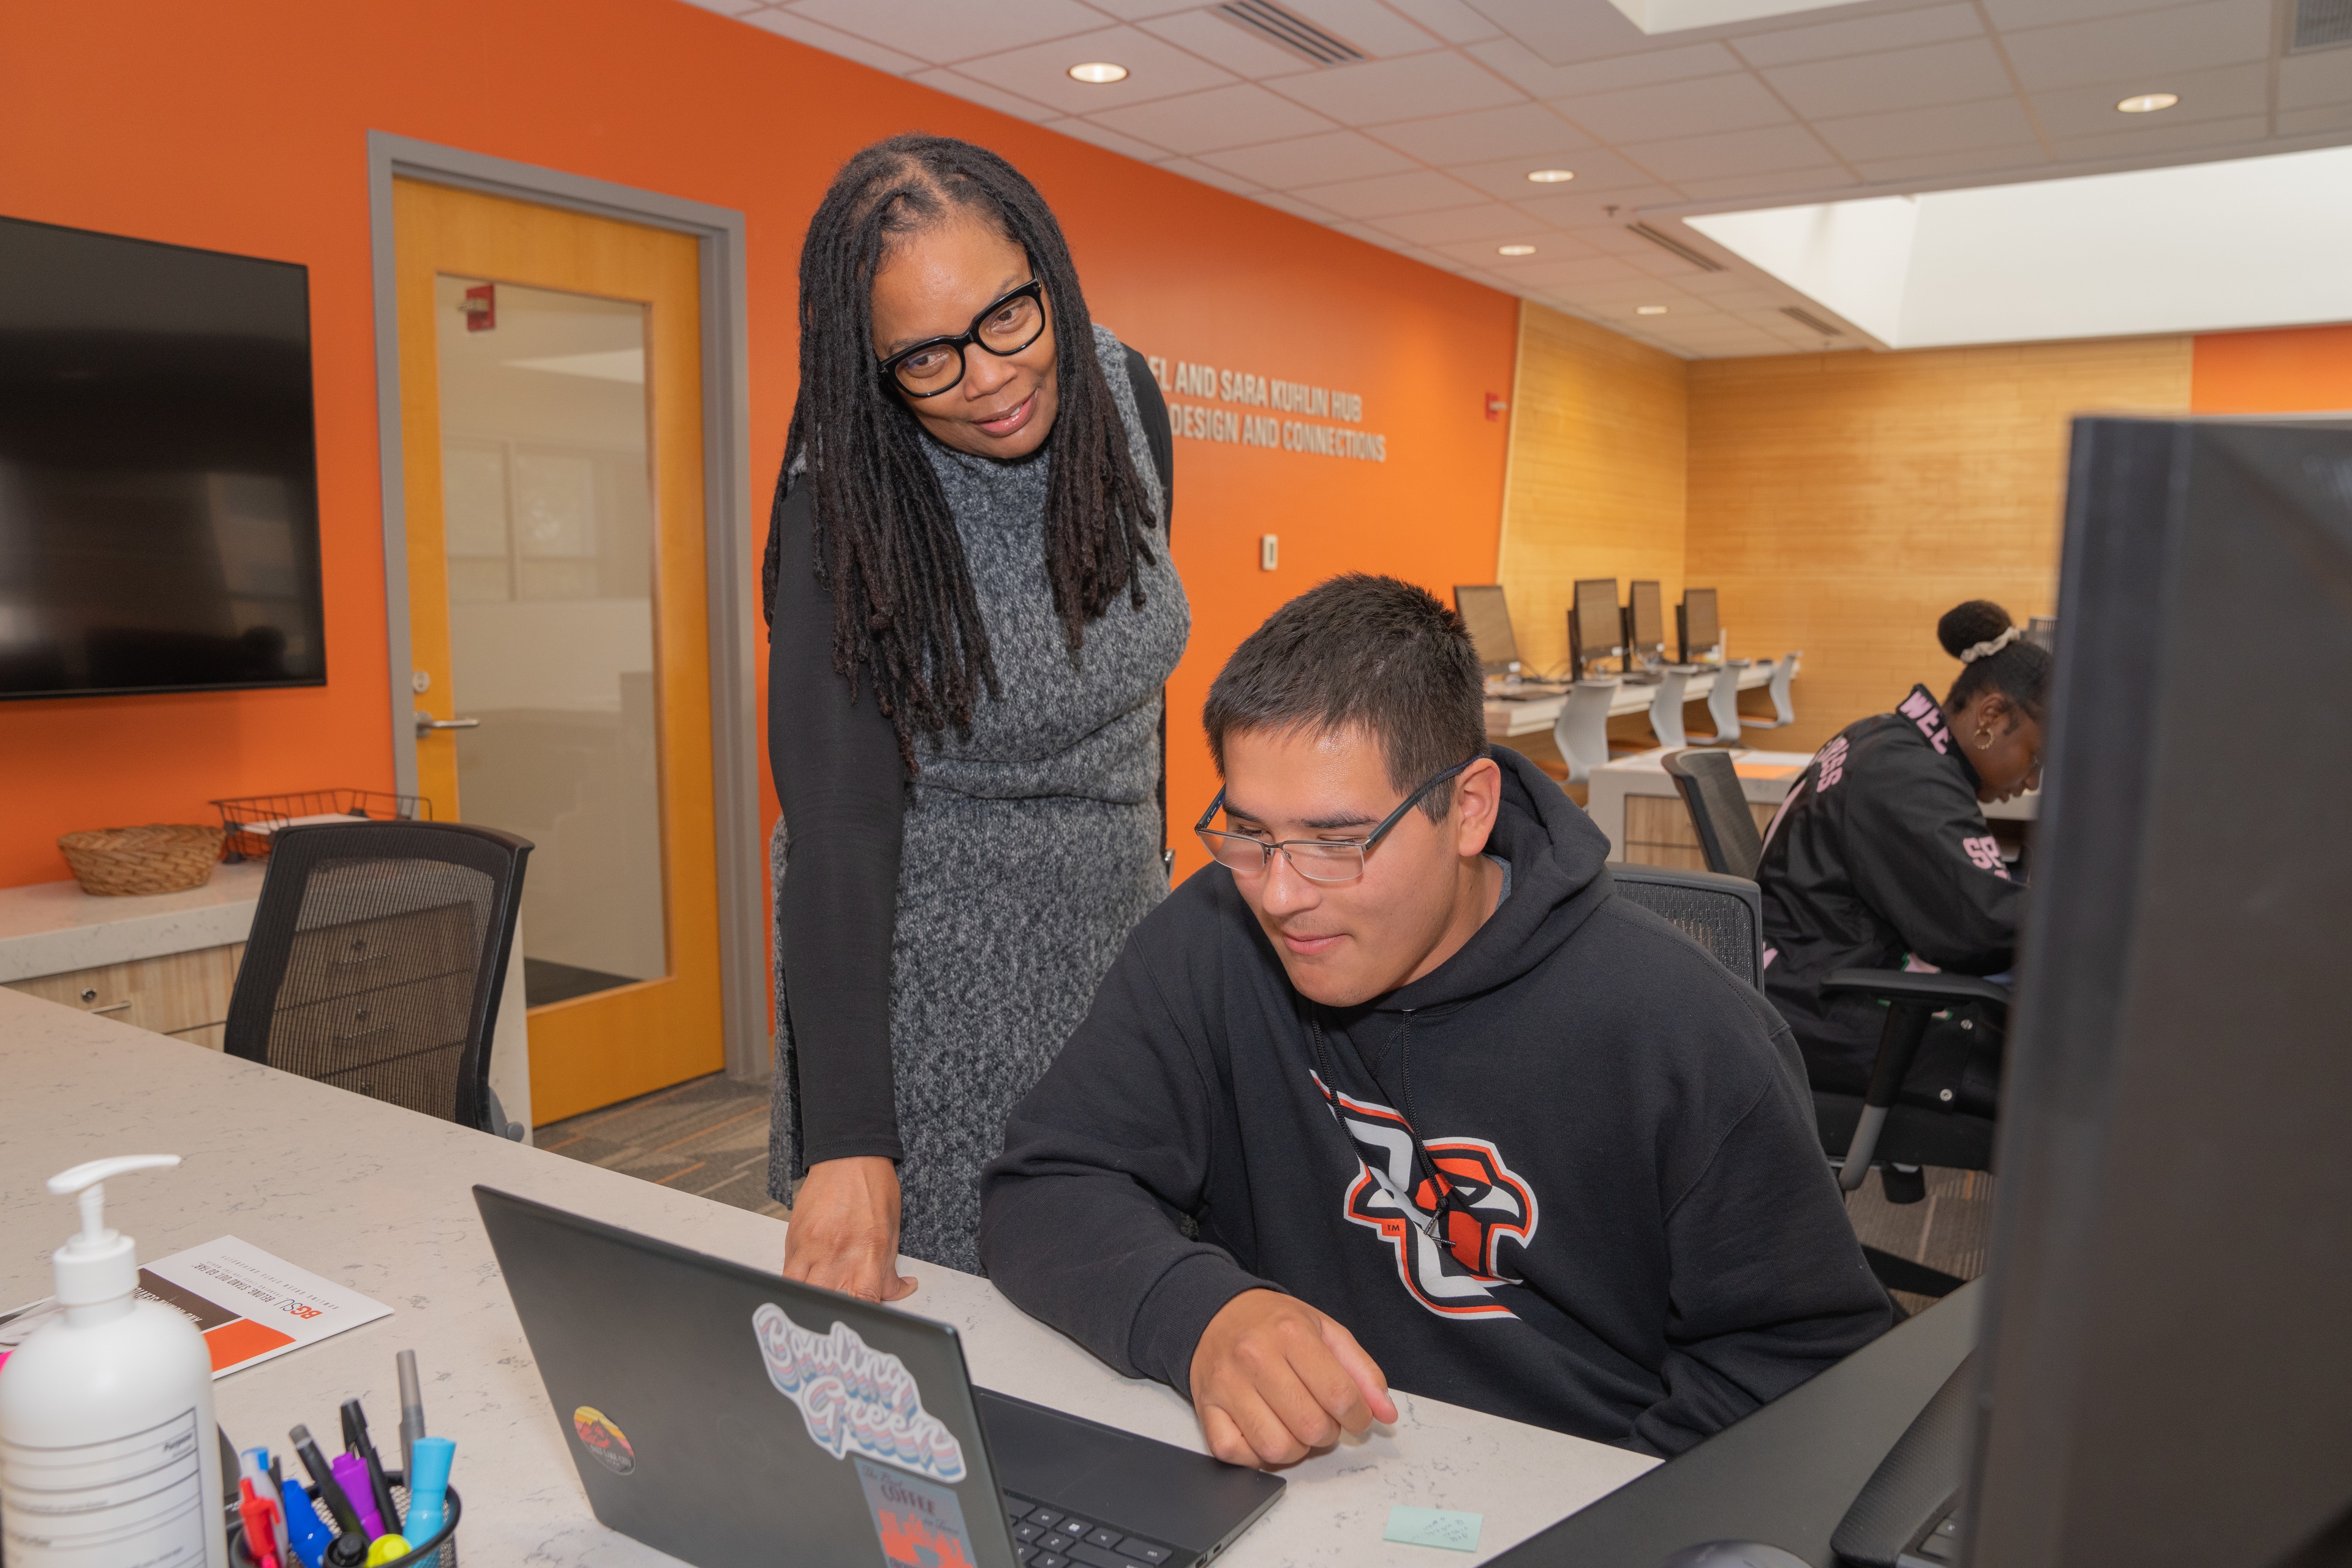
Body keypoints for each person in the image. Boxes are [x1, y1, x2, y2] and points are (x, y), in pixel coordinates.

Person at [979, 575, 1890, 1466]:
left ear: (1468, 809)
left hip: (1586, 1497)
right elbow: (1048, 1187)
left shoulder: (1687, 1033)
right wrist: (1201, 1314)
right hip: (1311, 1480)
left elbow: (1807, 1369)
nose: (1282, 894)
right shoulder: (1212, 936)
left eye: (1338, 841)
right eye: (1250, 833)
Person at [763, 134, 1188, 1290]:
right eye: (927, 359)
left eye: (1009, 316)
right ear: (871, 369)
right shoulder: (838, 490)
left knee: (1142, 1305)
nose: (991, 377)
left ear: (1048, 270)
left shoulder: (1123, 397)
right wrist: (853, 1137)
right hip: (930, 998)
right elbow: (839, 823)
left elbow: (1134, 687)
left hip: (1117, 950)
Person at [1754, 600, 2049, 1116]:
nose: (2031, 782)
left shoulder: (1891, 740)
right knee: (2067, 1093)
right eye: (2035, 758)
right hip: (1831, 1011)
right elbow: (1979, 931)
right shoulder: (1908, 778)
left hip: (1806, 979)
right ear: (1992, 715)